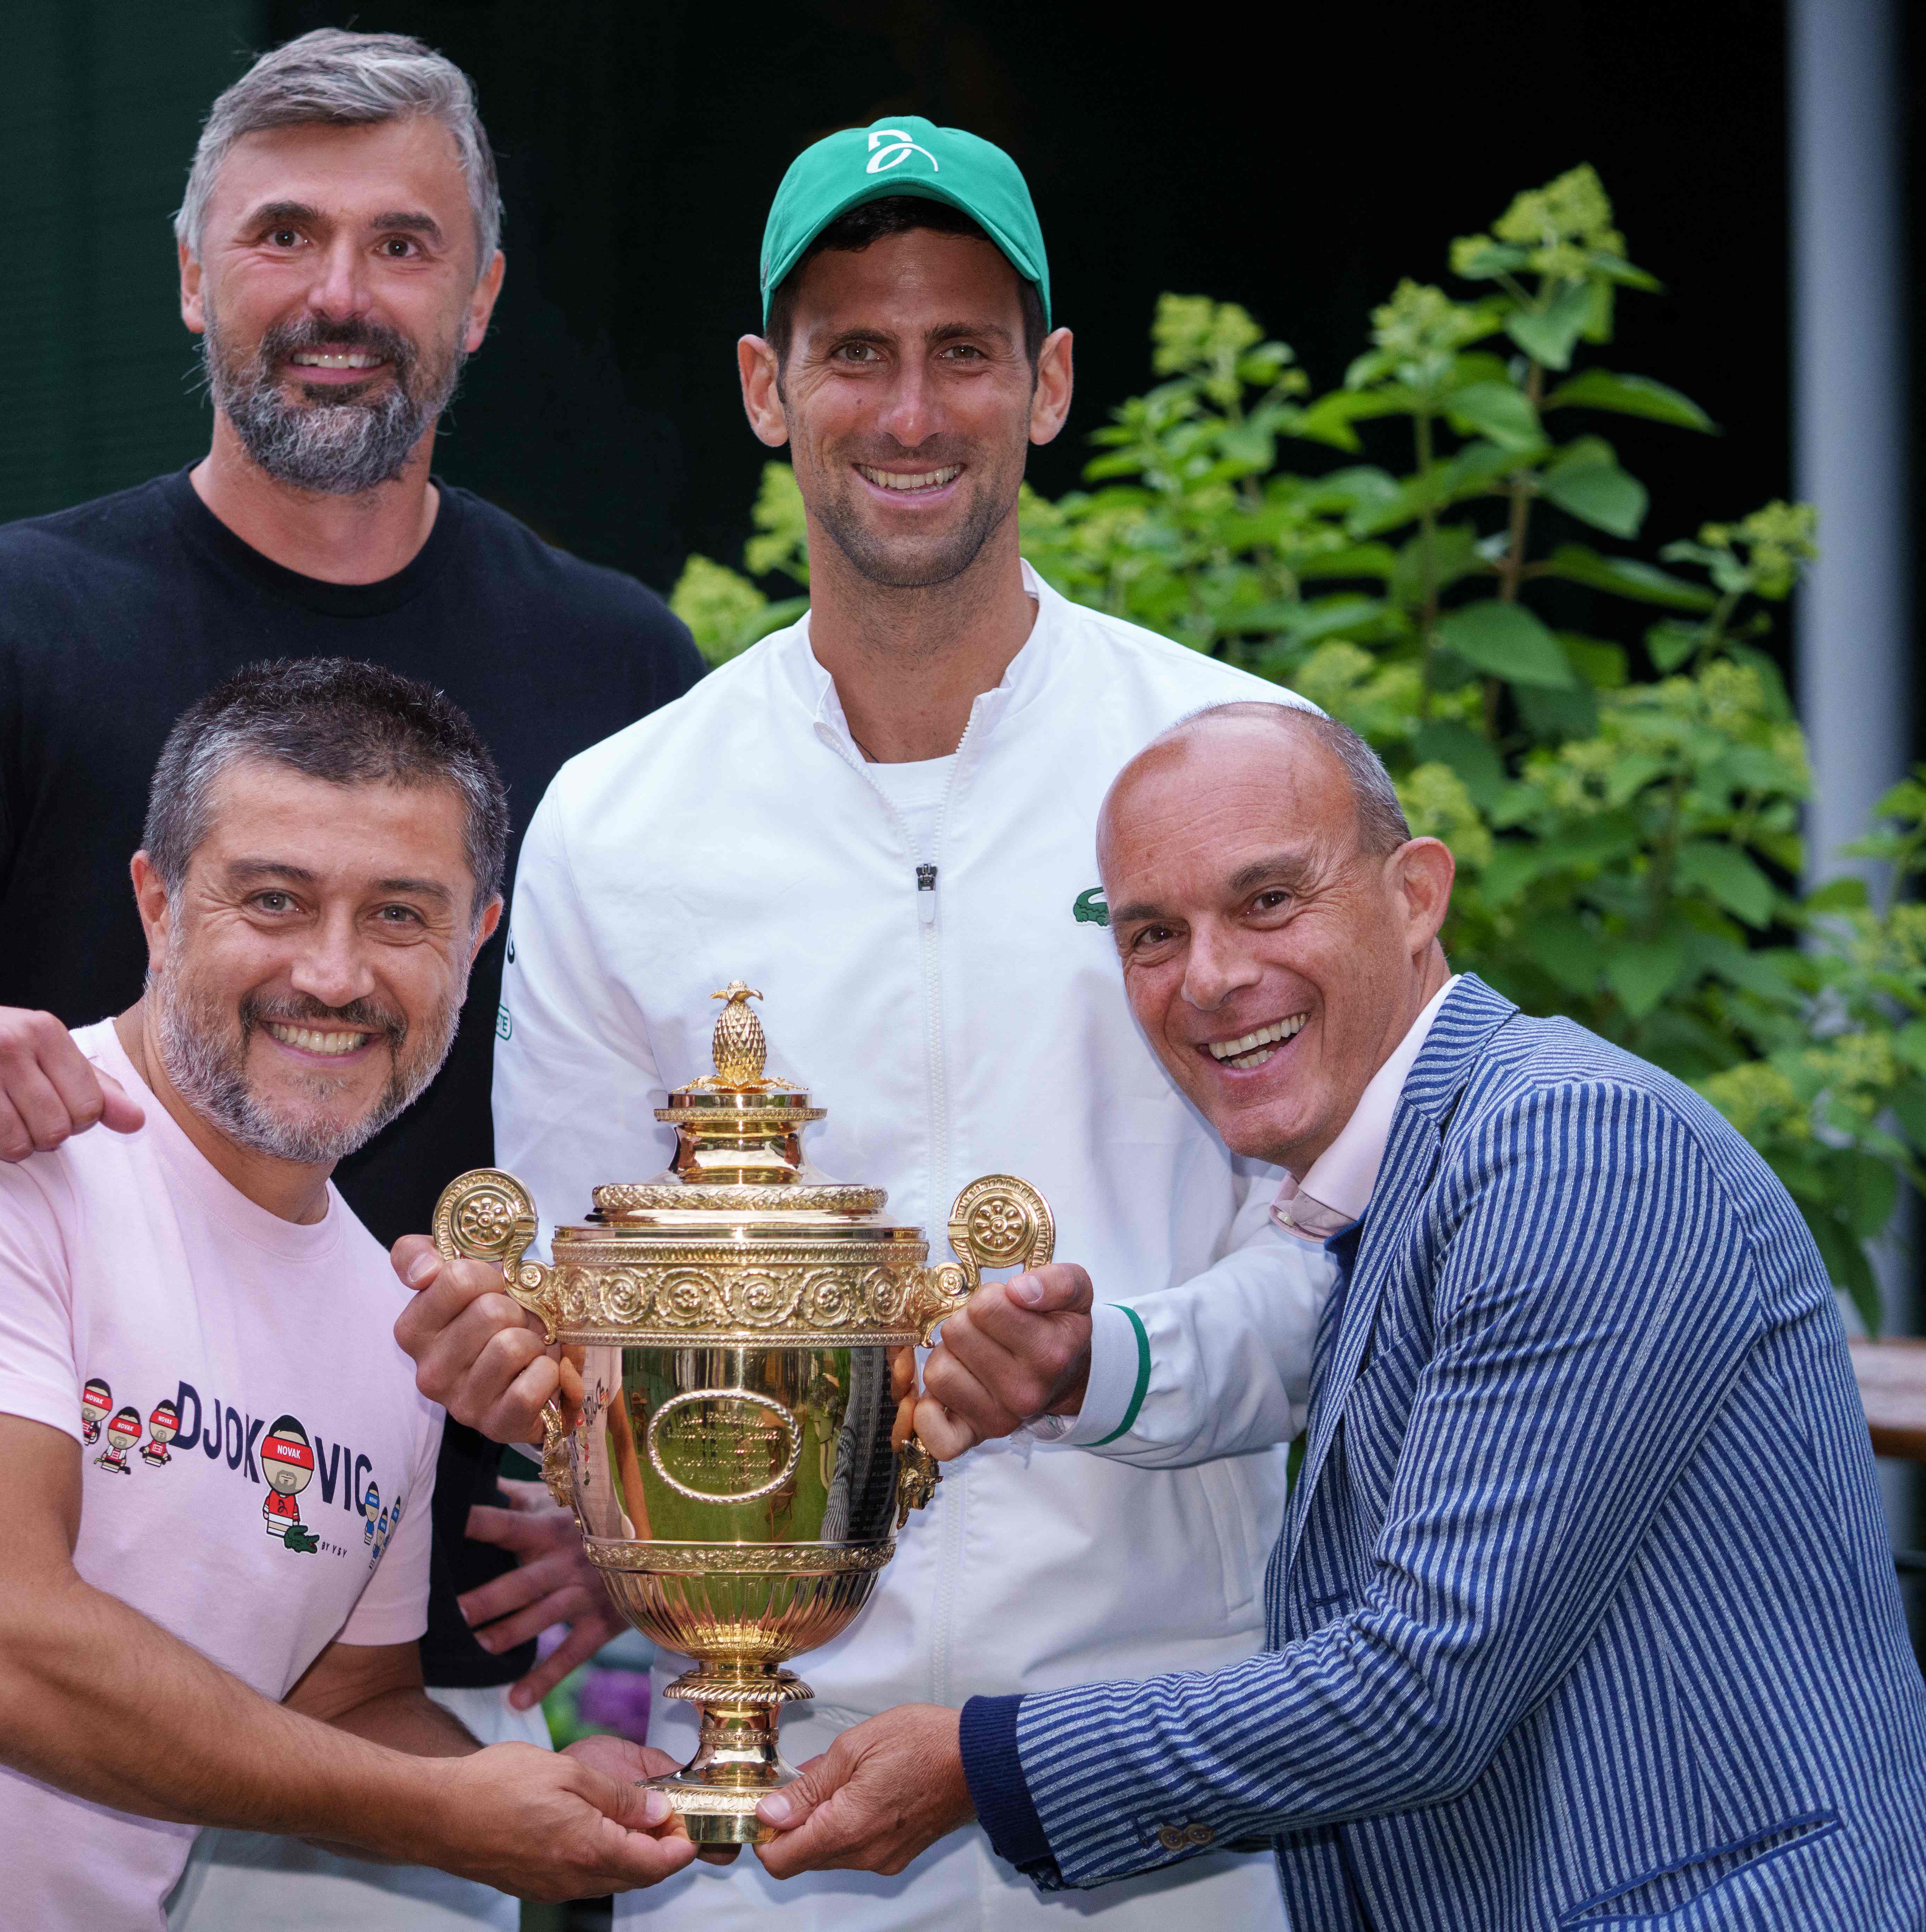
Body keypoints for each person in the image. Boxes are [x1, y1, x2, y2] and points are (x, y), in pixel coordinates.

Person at [0, 28, 699, 1928]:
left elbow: (675, 1121)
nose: (339, 294)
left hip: (384, 1608)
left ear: (482, 296)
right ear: (192, 273)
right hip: (19, 1566)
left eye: (402, 244)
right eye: (283, 235)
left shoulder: (619, 667)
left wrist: (654, 1504)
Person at [392, 118, 1333, 1931]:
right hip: (772, 1794)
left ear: (1046, 382)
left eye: (962, 350)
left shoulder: (1229, 758)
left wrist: (1099, 1358)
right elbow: (577, 1316)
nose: (909, 411)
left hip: (1170, 1780)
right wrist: (511, 1366)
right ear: (767, 386)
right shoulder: (621, 814)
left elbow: (1346, 1250)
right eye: (853, 352)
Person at [752, 702, 1926, 1928]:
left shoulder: (1567, 1145)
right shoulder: (1417, 1173)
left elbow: (1420, 1689)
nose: (1209, 979)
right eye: (1154, 932)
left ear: (1418, 894)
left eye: (1267, 901)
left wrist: (983, 1766)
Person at [0, 661, 702, 1930]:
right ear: (157, 904)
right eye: (274, 901)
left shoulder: (389, 1324)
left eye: (400, 916)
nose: (334, 975)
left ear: (477, 938)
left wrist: (554, 1790)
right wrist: (459, 1820)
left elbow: (345, 1710)